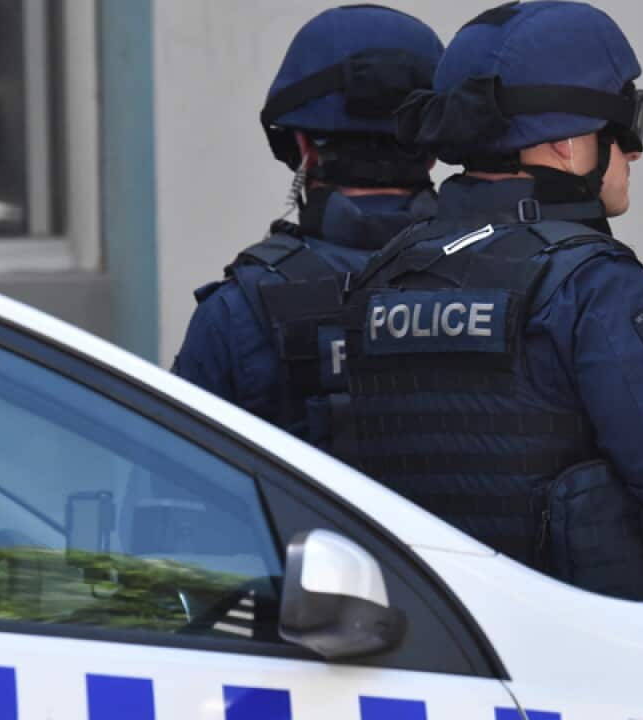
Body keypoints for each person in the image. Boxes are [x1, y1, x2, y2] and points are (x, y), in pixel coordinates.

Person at [334, 0, 643, 604]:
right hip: (586, 660)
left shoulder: (382, 275)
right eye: (624, 125)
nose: (633, 152)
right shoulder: (588, 282)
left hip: (439, 653)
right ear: (565, 142)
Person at [172, 5, 444, 447]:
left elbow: (176, 494)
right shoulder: (520, 285)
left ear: (303, 147)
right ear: (433, 150)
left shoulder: (236, 312)